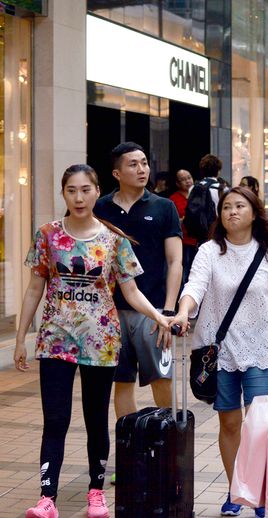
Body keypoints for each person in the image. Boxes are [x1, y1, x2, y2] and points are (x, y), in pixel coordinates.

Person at [15, 164, 173, 518]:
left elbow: (131, 292)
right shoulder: (47, 235)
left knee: (96, 418)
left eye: (85, 190)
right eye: (71, 190)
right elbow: (34, 289)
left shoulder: (113, 240)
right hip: (55, 341)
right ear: (63, 193)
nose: (79, 197)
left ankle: (96, 493)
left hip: (101, 343)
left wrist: (159, 316)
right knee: (55, 419)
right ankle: (47, 498)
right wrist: (22, 337)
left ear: (97, 191)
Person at [172, 187, 268, 517]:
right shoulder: (210, 251)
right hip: (218, 353)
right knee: (229, 424)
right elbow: (195, 286)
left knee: (258, 427)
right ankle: (237, 491)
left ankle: (260, 493)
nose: (232, 212)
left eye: (240, 206)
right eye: (226, 207)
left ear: (254, 213)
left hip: (258, 351)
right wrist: (183, 312)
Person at [93, 142, 182, 422]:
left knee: (162, 379)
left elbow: (175, 262)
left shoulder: (164, 207)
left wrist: (168, 311)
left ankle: (169, 442)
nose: (142, 169)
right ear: (117, 173)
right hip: (110, 312)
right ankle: (128, 444)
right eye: (133, 164)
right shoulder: (100, 207)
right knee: (121, 381)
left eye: (144, 163)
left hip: (153, 310)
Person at [169, 169, 198, 284]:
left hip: (199, 240)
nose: (188, 181)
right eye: (183, 179)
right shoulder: (173, 200)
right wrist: (183, 220)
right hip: (183, 242)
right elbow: (172, 223)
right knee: (185, 271)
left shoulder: (199, 195)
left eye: (189, 178)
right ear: (177, 183)